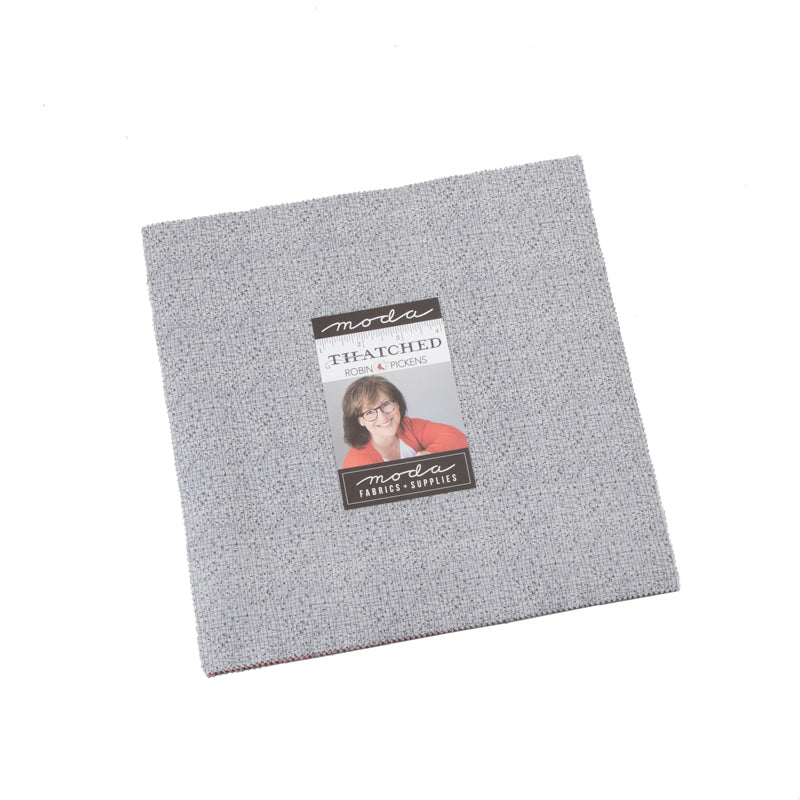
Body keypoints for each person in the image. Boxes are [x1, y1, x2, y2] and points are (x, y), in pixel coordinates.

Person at [341, 375, 467, 468]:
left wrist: (430, 454)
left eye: (386, 404)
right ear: (360, 421)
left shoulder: (409, 426)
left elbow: (457, 437)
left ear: (397, 404)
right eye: (369, 412)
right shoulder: (356, 462)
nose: (382, 417)